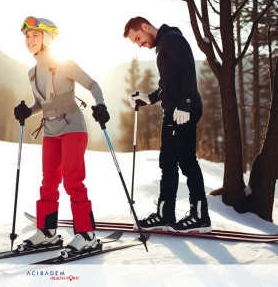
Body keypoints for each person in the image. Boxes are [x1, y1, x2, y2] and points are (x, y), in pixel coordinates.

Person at [13, 16, 110, 257]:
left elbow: (93, 84)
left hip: (73, 127)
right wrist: (29, 111)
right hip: (50, 130)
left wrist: (100, 104)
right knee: (48, 182)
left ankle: (87, 235)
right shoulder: (32, 72)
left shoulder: (64, 64)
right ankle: (47, 232)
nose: (29, 39)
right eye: (27, 36)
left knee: (73, 181)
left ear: (47, 37)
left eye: (35, 35)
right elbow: (42, 103)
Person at [122, 16, 212, 233]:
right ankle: (178, 214)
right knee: (177, 161)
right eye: (136, 42)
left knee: (176, 163)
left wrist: (185, 104)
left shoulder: (171, 40)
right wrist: (149, 98)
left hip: (180, 112)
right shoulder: (165, 43)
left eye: (138, 38)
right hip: (178, 110)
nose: (140, 44)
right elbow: (170, 84)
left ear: (145, 27)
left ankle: (189, 216)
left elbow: (189, 70)